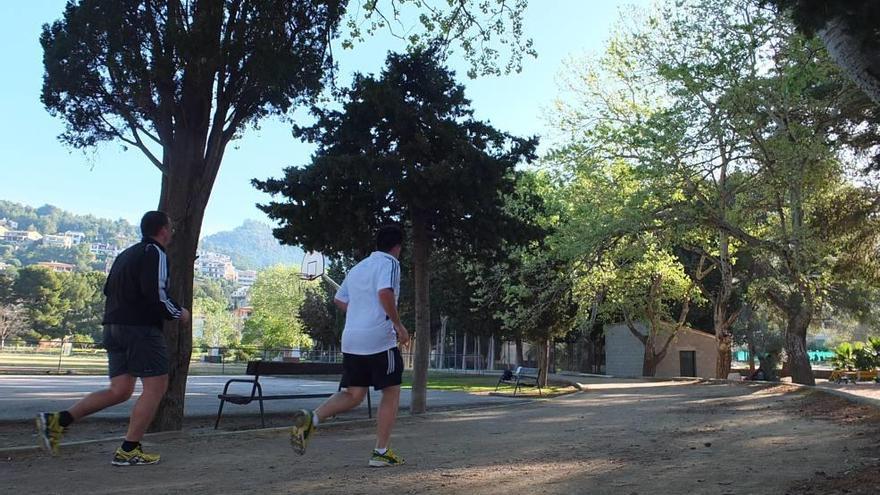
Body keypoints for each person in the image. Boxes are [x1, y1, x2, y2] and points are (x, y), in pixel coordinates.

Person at [36, 210, 190, 466]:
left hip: (113, 326)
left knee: (120, 390)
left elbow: (109, 289)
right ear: (163, 230)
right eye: (170, 228)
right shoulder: (155, 253)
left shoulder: (125, 255)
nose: (172, 233)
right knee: (156, 386)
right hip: (139, 329)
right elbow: (157, 293)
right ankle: (130, 448)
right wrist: (179, 313)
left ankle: (58, 421)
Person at [289, 225, 410, 467]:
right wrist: (398, 324)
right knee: (392, 390)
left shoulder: (358, 268)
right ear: (397, 247)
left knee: (354, 394)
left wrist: (360, 314)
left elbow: (339, 299)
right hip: (378, 338)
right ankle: (381, 452)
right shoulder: (390, 263)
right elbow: (385, 291)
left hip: (352, 338)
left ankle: (313, 419)